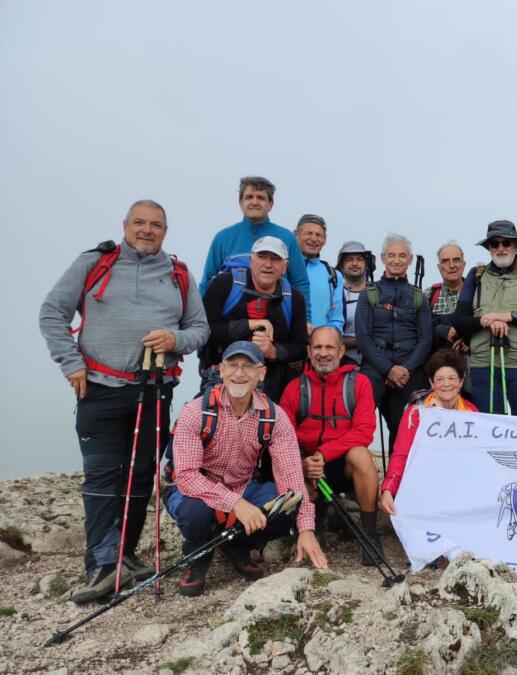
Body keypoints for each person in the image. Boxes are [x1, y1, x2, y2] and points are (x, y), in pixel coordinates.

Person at [39, 199, 210, 604]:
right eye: (139, 223)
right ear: (125, 225)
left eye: (156, 225)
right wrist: (71, 364)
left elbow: (200, 328)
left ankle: (126, 555)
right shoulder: (94, 262)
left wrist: (175, 340)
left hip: (154, 390)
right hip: (98, 388)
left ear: (165, 231)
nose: (147, 230)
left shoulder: (179, 275)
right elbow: (52, 312)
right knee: (101, 477)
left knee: (141, 475)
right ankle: (101, 563)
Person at [166, 341, 327, 597]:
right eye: (232, 365)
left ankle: (237, 544)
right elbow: (186, 478)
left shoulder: (275, 416)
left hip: (244, 487)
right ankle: (197, 556)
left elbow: (293, 481)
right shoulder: (196, 412)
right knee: (194, 513)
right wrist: (236, 504)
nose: (239, 373)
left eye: (248, 366)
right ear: (221, 370)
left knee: (284, 504)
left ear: (261, 373)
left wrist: (306, 529)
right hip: (198, 491)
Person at [278, 327, 381, 565]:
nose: (323, 353)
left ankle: (369, 533)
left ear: (341, 350)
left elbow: (364, 431)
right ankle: (311, 524)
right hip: (307, 465)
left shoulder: (359, 383)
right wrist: (302, 464)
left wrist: (324, 453)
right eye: (317, 347)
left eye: (329, 347)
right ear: (308, 351)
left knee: (362, 456)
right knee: (292, 473)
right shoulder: (295, 388)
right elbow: (283, 436)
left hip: (342, 463)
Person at [453, 220, 517, 416]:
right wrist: (485, 320)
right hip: (484, 362)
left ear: (516, 245)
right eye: (494, 244)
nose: (501, 248)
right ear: (488, 248)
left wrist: (509, 316)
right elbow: (459, 321)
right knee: (489, 425)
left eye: (506, 243)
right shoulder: (476, 275)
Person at [201, 236, 308, 401]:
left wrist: (273, 351)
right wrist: (249, 325)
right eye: (262, 257)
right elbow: (205, 331)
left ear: (285, 267)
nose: (268, 264)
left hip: (271, 384)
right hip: (221, 378)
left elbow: (300, 347)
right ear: (251, 260)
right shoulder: (224, 284)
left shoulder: (294, 298)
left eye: (275, 259)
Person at [378, 349, 478, 515]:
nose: (446, 384)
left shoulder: (472, 411)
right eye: (440, 379)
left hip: (461, 485)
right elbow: (401, 455)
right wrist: (388, 489)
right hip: (424, 484)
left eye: (452, 378)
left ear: (461, 382)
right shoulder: (415, 413)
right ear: (432, 383)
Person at [356, 234, 433, 449]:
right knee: (359, 421)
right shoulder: (369, 294)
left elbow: (426, 338)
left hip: (410, 369)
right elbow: (363, 336)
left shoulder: (419, 297)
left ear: (409, 260)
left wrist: (405, 369)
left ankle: (397, 480)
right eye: (391, 255)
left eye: (402, 256)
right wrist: (388, 369)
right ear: (382, 258)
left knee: (404, 428)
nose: (396, 260)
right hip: (375, 368)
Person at [199, 176, 310, 302]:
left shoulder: (287, 238)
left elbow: (301, 284)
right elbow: (207, 282)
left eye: (261, 198)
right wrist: (201, 319)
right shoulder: (223, 238)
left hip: (277, 316)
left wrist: (305, 320)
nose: (255, 202)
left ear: (270, 204)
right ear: (240, 203)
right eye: (249, 197)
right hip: (231, 318)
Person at [294, 214, 344, 333]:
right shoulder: (283, 267)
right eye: (308, 233)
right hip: (288, 345)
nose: (314, 239)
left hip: (320, 348)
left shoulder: (334, 275)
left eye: (318, 235)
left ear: (324, 240)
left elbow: (336, 320)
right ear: (296, 235)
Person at [336, 241, 375, 365]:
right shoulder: (334, 293)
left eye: (359, 259)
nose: (354, 263)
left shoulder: (378, 292)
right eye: (349, 259)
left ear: (367, 264)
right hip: (339, 361)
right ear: (341, 266)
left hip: (374, 361)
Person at [427, 242, 467, 355]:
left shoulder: (477, 293)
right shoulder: (428, 295)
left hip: (473, 364)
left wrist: (468, 339)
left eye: (456, 260)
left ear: (464, 264)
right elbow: (419, 331)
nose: (452, 265)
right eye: (445, 261)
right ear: (439, 267)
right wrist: (443, 331)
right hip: (439, 365)